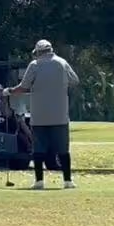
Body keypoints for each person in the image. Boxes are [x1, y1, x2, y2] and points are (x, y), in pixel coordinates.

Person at [9, 39, 79, 190]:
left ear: (38, 52)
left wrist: (8, 91)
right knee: (63, 149)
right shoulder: (62, 62)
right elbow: (74, 80)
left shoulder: (34, 65)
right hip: (60, 114)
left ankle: (39, 181)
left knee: (39, 150)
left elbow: (23, 87)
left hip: (39, 115)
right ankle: (67, 181)